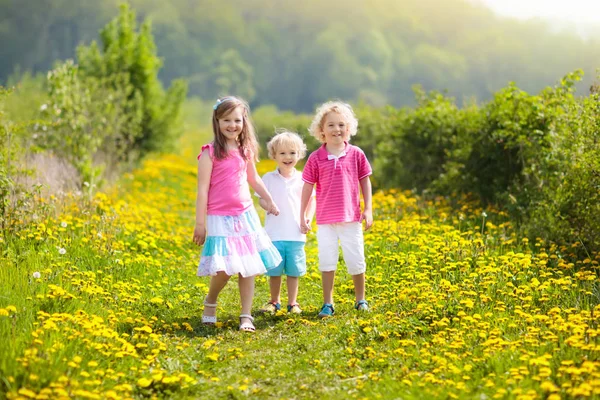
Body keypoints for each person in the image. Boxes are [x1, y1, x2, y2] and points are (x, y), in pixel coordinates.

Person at [193, 96, 282, 332]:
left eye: (237, 120)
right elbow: (202, 189)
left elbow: (253, 178)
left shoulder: (246, 150)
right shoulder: (209, 153)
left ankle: (246, 315)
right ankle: (210, 301)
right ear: (217, 121)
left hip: (245, 214)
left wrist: (269, 199)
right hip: (220, 216)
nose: (232, 125)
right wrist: (200, 223)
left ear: (244, 121)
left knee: (249, 266)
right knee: (224, 269)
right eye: (226, 120)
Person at [299, 101, 373, 318]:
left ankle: (361, 299)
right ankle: (327, 303)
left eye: (341, 124)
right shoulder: (315, 157)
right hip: (325, 220)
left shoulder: (356, 154)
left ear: (348, 129)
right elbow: (307, 187)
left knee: (356, 259)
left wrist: (368, 209)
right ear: (321, 130)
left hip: (351, 218)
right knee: (327, 260)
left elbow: (365, 181)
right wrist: (303, 214)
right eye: (331, 125)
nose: (336, 129)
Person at [256, 131, 315, 315]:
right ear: (274, 155)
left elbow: (312, 200)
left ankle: (293, 303)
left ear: (299, 154)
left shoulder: (303, 179)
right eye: (282, 153)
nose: (287, 157)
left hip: (296, 234)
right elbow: (261, 199)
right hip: (274, 234)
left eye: (292, 153)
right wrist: (268, 205)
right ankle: (274, 301)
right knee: (274, 271)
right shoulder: (268, 178)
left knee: (293, 271)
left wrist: (307, 218)